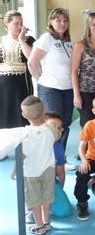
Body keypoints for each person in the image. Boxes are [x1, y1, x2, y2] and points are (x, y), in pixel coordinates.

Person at [0, 96, 56, 235]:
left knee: (34, 201)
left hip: (31, 173)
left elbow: (22, 156)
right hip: (48, 170)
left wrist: (14, 171)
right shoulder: (50, 129)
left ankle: (39, 226)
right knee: (46, 199)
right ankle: (47, 222)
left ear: (24, 115)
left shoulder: (24, 135)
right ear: (44, 111)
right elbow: (57, 135)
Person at [28, 8, 73, 150]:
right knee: (52, 125)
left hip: (68, 89)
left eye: (65, 20)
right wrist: (41, 79)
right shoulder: (47, 38)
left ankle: (60, 157)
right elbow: (32, 62)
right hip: (50, 89)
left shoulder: (68, 41)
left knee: (64, 125)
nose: (62, 23)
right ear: (51, 22)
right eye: (58, 20)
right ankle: (49, 157)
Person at [0, 10, 34, 130]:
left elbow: (32, 57)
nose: (20, 27)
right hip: (2, 87)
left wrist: (21, 39)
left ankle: (23, 148)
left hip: (22, 86)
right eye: (16, 23)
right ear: (7, 25)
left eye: (21, 23)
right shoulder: (1, 41)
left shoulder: (28, 40)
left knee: (22, 120)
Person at [45, 112, 73, 218]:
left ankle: (48, 206)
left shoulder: (58, 149)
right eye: (52, 126)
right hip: (34, 185)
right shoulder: (34, 145)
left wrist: (59, 192)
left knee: (65, 211)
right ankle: (33, 209)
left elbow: (60, 174)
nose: (57, 130)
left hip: (51, 184)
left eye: (59, 127)